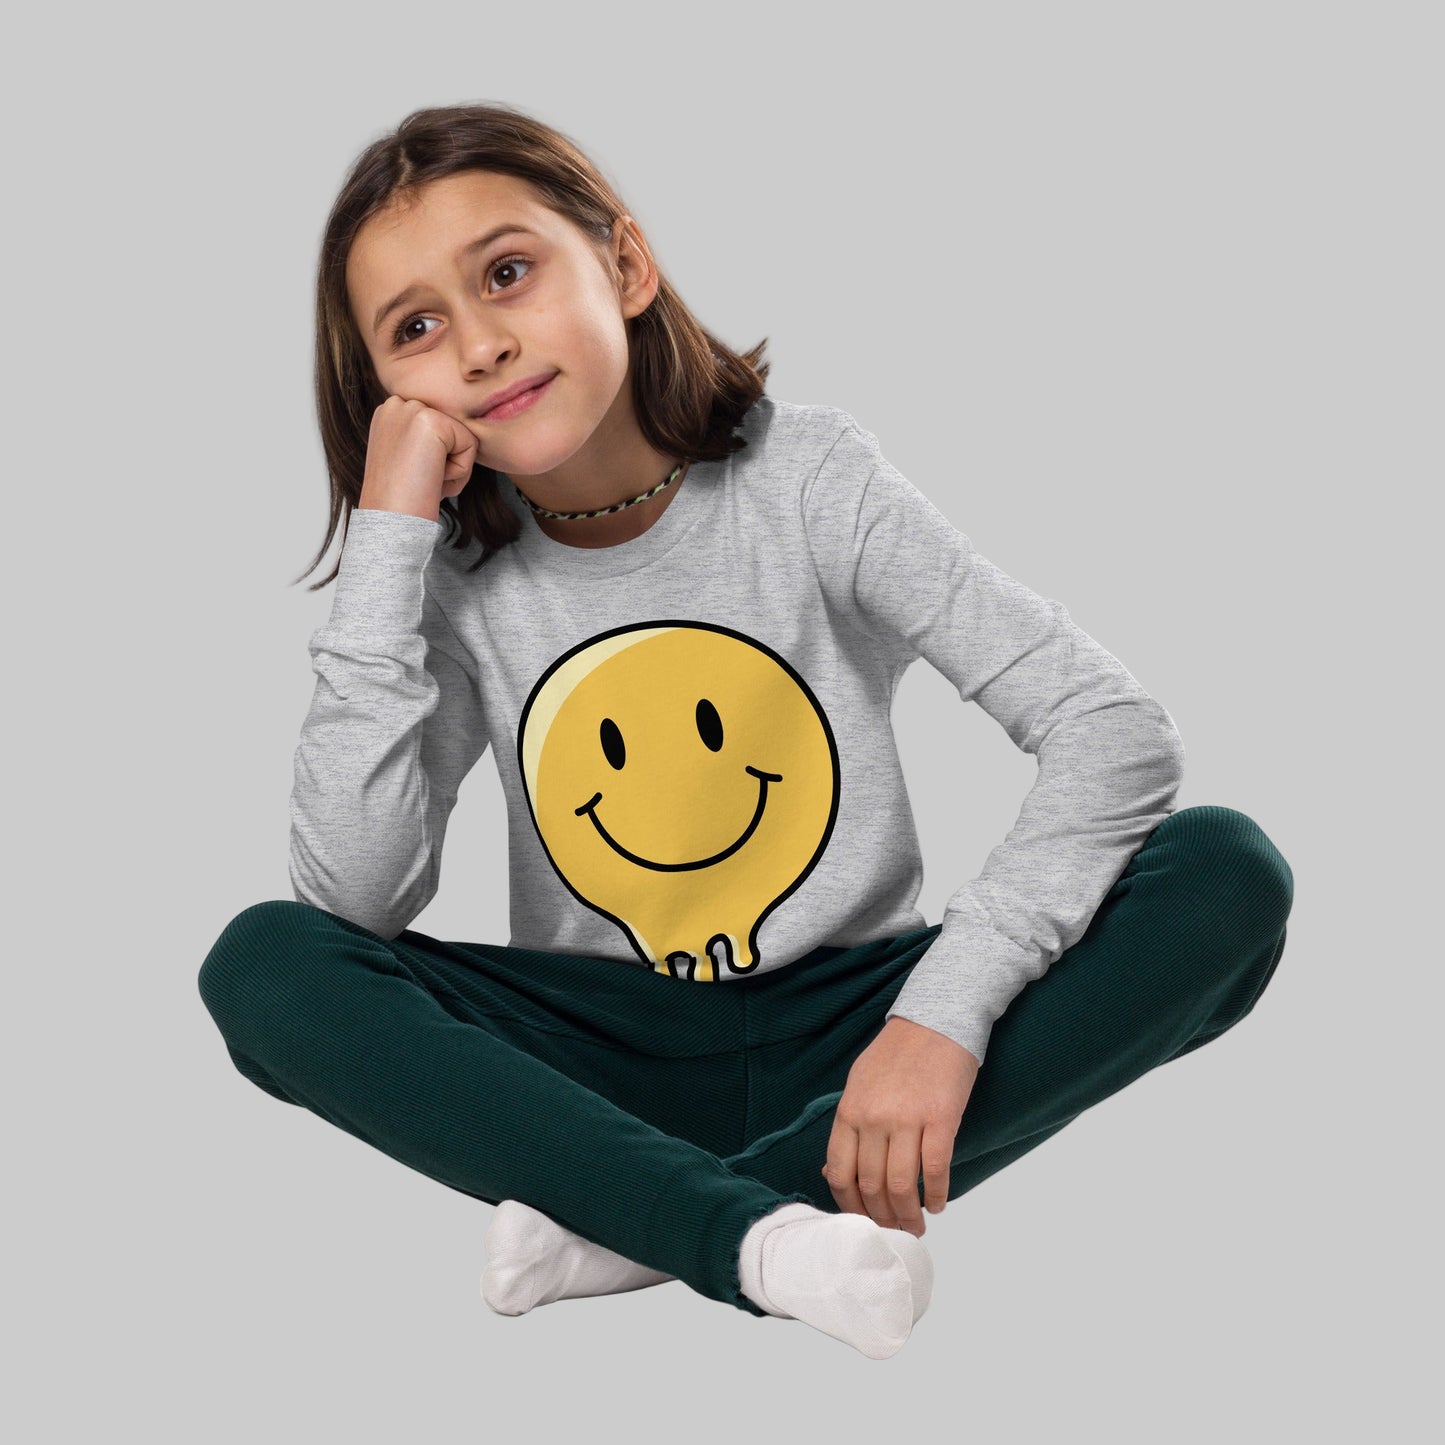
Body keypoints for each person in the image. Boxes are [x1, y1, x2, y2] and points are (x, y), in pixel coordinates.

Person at [196, 102, 1295, 1361]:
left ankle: (646, 1225)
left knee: (1224, 877)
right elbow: (352, 899)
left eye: (508, 272)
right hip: (591, 1049)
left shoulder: (806, 478)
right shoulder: (441, 582)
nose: (483, 345)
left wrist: (938, 1018)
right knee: (265, 962)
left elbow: (1109, 730)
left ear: (623, 264)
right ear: (389, 389)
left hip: (861, 1025)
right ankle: (760, 1236)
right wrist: (388, 546)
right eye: (417, 327)